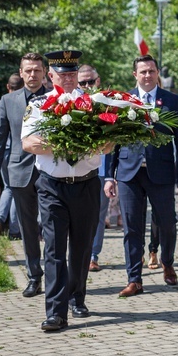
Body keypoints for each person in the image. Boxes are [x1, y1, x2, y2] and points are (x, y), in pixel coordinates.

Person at [22, 50, 113, 332]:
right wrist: (66, 146)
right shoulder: (39, 105)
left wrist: (95, 145)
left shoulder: (96, 105)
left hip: (86, 184)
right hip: (52, 186)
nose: (69, 78)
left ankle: (77, 297)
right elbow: (29, 143)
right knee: (54, 249)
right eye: (62, 74)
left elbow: (109, 144)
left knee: (82, 248)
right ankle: (56, 312)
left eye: (72, 73)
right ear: (51, 76)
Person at [105, 54, 178, 297]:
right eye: (142, 71)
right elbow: (113, 138)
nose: (147, 75)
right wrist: (109, 176)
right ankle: (135, 279)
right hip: (128, 173)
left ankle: (168, 262)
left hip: (162, 172)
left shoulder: (172, 101)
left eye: (151, 71)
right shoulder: (122, 101)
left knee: (167, 223)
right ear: (135, 74)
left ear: (157, 74)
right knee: (132, 227)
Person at [0, 53, 48, 298]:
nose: (32, 75)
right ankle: (34, 276)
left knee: (52, 224)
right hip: (19, 172)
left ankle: (55, 274)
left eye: (37, 70)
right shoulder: (7, 101)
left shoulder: (55, 99)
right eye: (28, 71)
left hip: (49, 170)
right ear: (21, 73)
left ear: (44, 72)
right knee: (28, 228)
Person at [77, 64, 110, 273]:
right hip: (77, 169)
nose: (88, 85)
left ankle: (92, 255)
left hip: (102, 168)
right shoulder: (71, 103)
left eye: (91, 81)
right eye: (83, 82)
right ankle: (79, 253)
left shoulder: (109, 103)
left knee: (98, 214)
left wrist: (111, 175)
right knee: (77, 215)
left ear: (98, 80)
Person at [0, 74, 23, 239]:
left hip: (3, 150)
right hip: (16, 151)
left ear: (7, 86)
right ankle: (14, 229)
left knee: (8, 188)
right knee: (16, 189)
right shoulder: (20, 102)